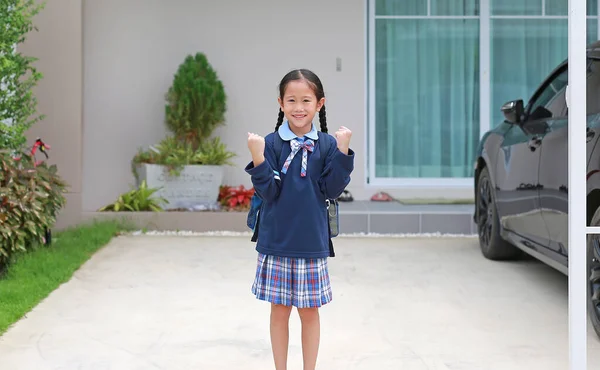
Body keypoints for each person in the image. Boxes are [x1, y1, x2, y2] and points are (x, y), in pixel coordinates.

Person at [245, 69, 355, 370]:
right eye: (291, 100)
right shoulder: (271, 143)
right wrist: (258, 157)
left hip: (312, 242)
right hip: (276, 240)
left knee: (309, 311)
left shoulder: (326, 145)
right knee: (279, 310)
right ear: (281, 103)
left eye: (306, 100)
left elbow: (331, 190)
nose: (299, 107)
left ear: (319, 104)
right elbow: (268, 192)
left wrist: (343, 150)